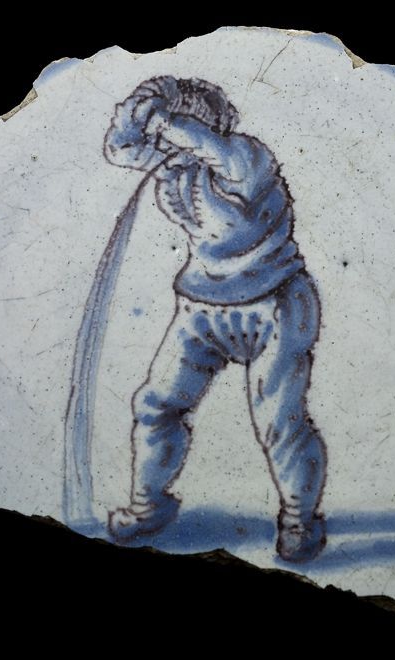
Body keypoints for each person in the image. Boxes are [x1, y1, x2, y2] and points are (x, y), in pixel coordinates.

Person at [103, 76, 327, 562]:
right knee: (157, 404)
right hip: (202, 310)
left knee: (280, 421)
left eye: (176, 123)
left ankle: (300, 522)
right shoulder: (177, 167)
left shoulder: (246, 157)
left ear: (199, 121)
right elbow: (121, 150)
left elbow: (212, 150)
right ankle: (148, 506)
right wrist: (134, 111)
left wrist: (162, 117)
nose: (164, 138)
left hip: (275, 306)